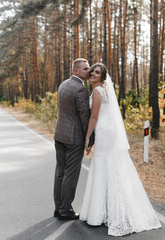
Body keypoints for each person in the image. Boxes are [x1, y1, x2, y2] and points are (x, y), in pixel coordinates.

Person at [79, 63, 161, 236]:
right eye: (92, 71)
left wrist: (87, 137)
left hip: (103, 131)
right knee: (110, 167)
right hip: (109, 131)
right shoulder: (104, 89)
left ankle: (104, 212)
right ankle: (107, 210)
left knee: (103, 167)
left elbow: (93, 117)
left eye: (97, 72)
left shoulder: (97, 91)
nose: (93, 73)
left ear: (102, 76)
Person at [53, 58, 92, 220]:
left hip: (60, 134)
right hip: (74, 138)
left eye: (89, 68)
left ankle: (58, 208)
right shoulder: (80, 89)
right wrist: (90, 138)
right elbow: (84, 117)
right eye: (85, 69)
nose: (88, 71)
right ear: (76, 71)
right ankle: (65, 210)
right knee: (71, 174)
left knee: (60, 172)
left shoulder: (63, 84)